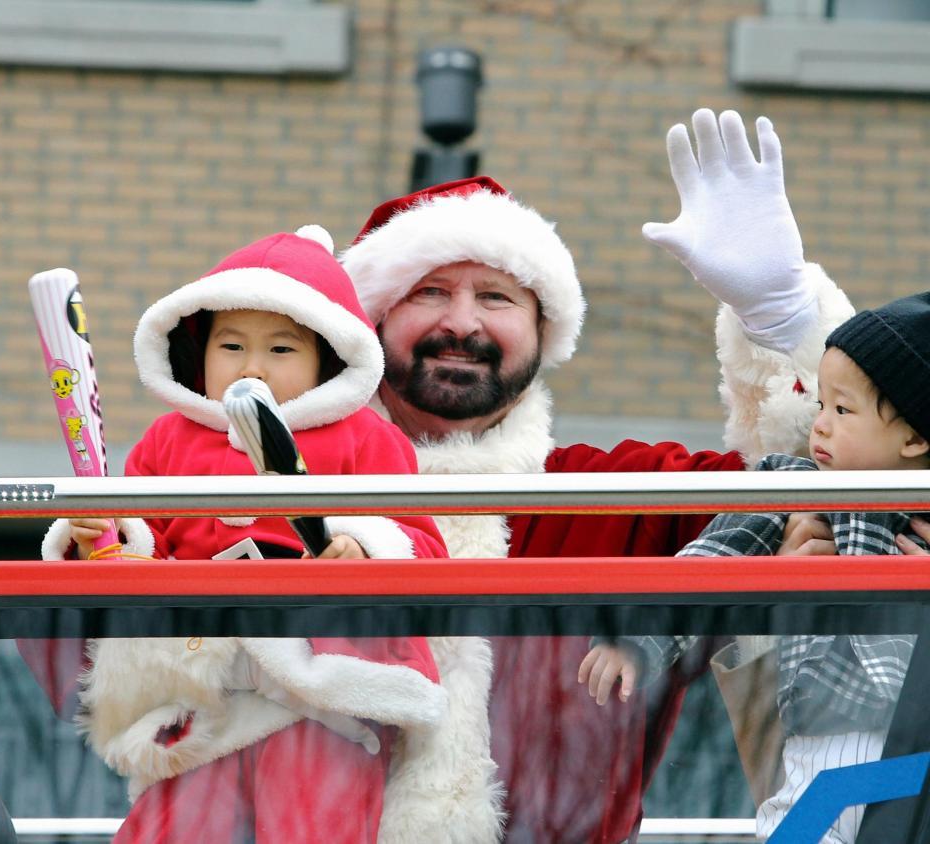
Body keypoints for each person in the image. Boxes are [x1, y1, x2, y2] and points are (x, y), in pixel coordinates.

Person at [339, 108, 859, 842]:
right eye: (428, 292)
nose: (463, 323)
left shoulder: (610, 495)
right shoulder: (291, 490)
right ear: (372, 318)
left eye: (496, 297)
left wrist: (781, 318)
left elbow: (824, 482)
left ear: (542, 331)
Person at [36, 228, 500, 843]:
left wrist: (363, 545)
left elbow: (422, 545)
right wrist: (100, 536)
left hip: (322, 696)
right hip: (202, 696)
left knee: (313, 827)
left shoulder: (366, 437)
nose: (251, 366)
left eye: (281, 350)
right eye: (231, 344)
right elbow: (136, 548)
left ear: (328, 359)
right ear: (196, 351)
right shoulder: (166, 441)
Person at [584, 290, 930, 843]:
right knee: (798, 829)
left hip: (916, 733)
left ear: (914, 437)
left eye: (842, 411)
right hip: (825, 732)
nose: (819, 425)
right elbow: (709, 566)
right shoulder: (794, 486)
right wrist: (637, 635)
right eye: (819, 405)